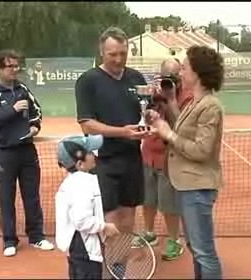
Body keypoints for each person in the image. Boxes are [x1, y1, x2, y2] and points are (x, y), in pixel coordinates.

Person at [146, 45, 225, 279]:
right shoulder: (195, 103)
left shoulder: (210, 105)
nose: (181, 73)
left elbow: (201, 149)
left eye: (185, 68)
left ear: (198, 72)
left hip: (198, 187)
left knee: (204, 252)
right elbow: (184, 127)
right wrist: (169, 105)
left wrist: (167, 133)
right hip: (186, 185)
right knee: (195, 248)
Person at [0, 49, 54, 257]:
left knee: (32, 196)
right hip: (2, 153)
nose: (15, 69)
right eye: (10, 66)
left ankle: (37, 236)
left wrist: (35, 127)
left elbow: (36, 111)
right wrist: (11, 110)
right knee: (6, 198)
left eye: (16, 65)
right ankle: (9, 240)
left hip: (27, 151)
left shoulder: (22, 89)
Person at [75, 26, 148, 234]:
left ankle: (120, 264)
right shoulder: (88, 81)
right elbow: (87, 124)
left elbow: (145, 112)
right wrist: (124, 132)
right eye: (112, 54)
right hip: (103, 160)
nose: (118, 59)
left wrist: (150, 119)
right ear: (101, 52)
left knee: (128, 218)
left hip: (132, 158)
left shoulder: (136, 78)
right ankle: (109, 264)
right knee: (109, 219)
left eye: (122, 54)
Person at [132, 58, 192, 261]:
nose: (171, 81)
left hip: (169, 157)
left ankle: (174, 240)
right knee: (147, 199)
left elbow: (182, 126)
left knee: (168, 204)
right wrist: (150, 102)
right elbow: (145, 117)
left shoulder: (186, 96)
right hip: (148, 152)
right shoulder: (155, 92)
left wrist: (170, 99)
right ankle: (149, 233)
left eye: (175, 76)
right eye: (167, 76)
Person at [55, 134, 120, 279]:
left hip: (77, 248)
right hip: (84, 249)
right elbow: (81, 220)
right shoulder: (81, 185)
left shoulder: (74, 181)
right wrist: (104, 227)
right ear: (80, 164)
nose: (94, 155)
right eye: (90, 152)